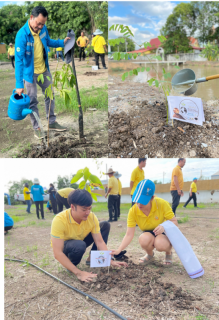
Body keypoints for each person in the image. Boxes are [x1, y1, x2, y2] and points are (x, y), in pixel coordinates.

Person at [15, 6, 70, 139]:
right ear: (31, 18)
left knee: (50, 95)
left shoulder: (43, 29)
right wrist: (19, 84)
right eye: (38, 23)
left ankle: (52, 122)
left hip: (44, 70)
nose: (40, 26)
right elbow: (19, 61)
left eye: (42, 24)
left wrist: (62, 42)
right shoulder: (22, 35)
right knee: (32, 100)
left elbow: (49, 42)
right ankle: (38, 127)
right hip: (30, 74)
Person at [51, 189, 127, 282]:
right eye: (84, 209)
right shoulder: (59, 220)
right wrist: (79, 273)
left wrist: (109, 261)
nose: (88, 212)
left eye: (89, 208)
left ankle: (91, 259)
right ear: (72, 207)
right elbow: (57, 253)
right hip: (68, 247)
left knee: (105, 225)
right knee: (79, 245)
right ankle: (71, 265)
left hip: (81, 240)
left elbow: (99, 241)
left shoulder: (91, 217)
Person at [111, 180, 178, 265]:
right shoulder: (133, 211)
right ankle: (150, 255)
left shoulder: (161, 204)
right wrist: (119, 249)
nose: (139, 204)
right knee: (143, 239)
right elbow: (129, 234)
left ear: (152, 198)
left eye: (143, 201)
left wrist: (164, 226)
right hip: (148, 232)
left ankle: (168, 252)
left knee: (161, 244)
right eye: (137, 200)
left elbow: (174, 222)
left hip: (162, 231)